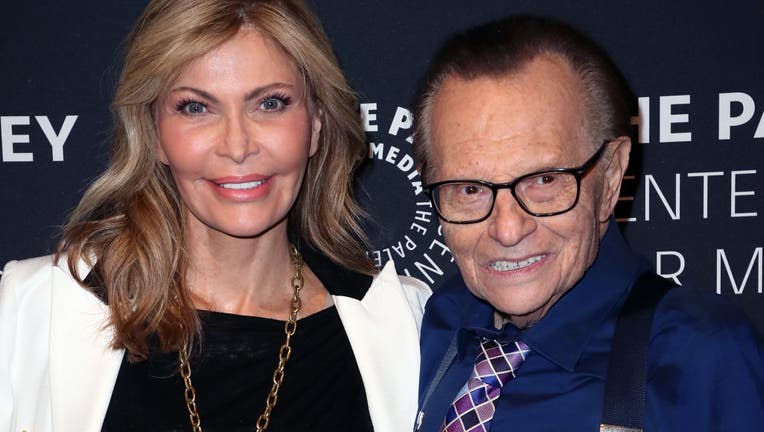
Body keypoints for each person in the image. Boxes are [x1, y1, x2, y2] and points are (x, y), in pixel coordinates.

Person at [0, 1, 430, 431]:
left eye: (271, 103)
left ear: (316, 123)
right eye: (196, 108)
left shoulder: (406, 325)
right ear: (153, 134)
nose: (238, 146)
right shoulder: (34, 310)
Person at [412, 15, 764, 432]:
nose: (507, 230)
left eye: (545, 180)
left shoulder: (700, 355)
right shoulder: (443, 320)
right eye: (469, 189)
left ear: (612, 175)